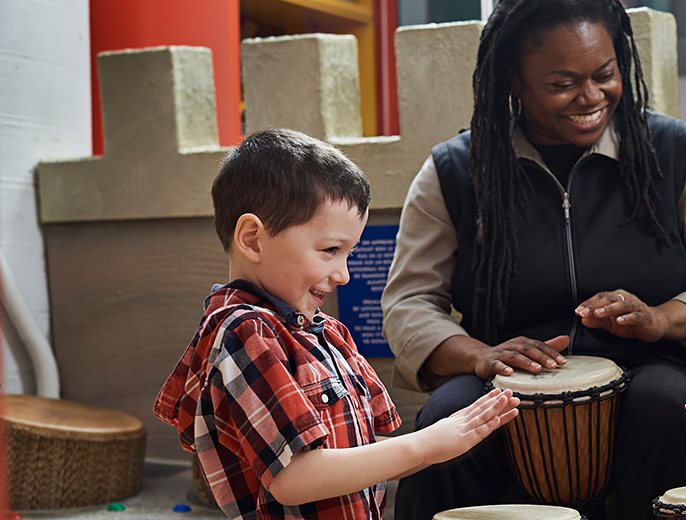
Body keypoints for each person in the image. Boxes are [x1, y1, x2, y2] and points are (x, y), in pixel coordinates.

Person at [379, 1, 686, 519]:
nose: (591, 97)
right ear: (514, 81)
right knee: (449, 415)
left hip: (651, 367)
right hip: (502, 374)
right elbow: (409, 302)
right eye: (562, 83)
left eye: (605, 74)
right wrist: (477, 355)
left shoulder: (671, 151)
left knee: (665, 402)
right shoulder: (456, 171)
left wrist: (661, 319)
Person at [153, 128, 520, 520]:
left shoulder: (326, 331)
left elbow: (370, 448)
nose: (343, 275)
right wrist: (426, 445)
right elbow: (293, 477)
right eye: (330, 250)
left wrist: (456, 436)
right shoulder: (246, 333)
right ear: (253, 240)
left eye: (348, 253)